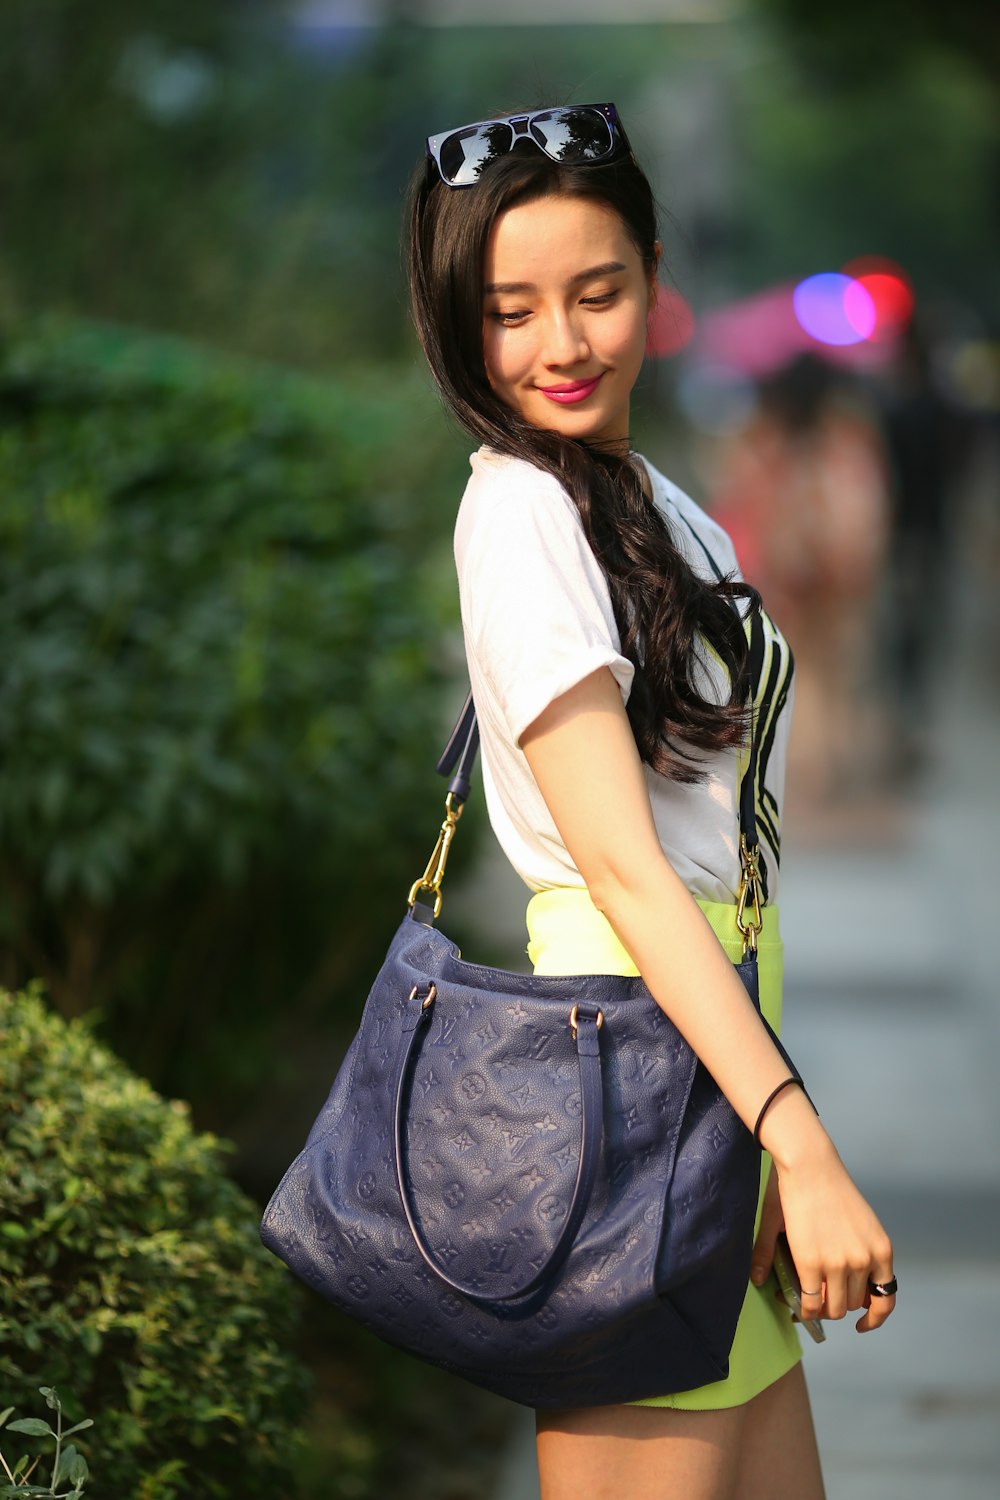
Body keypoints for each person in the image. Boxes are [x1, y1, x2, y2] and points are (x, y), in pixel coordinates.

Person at [407, 102, 896, 1500]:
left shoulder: (641, 497)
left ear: (655, 276)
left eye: (597, 292)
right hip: (628, 1076)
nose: (561, 344)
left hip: (707, 1062)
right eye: (510, 311)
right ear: (459, 322)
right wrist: (796, 1141)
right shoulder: (520, 513)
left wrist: (757, 1130)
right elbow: (626, 873)